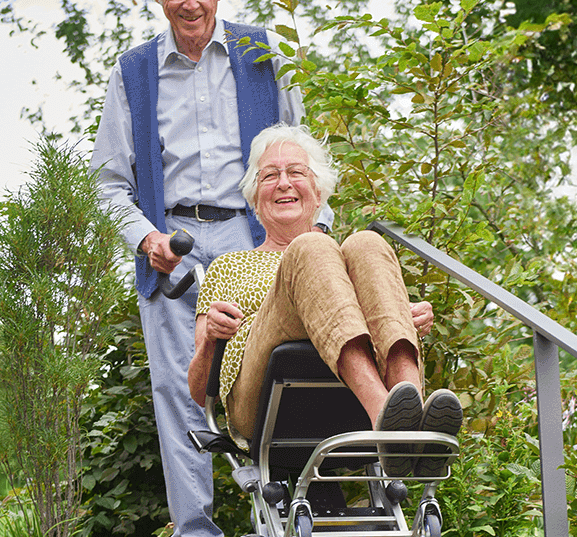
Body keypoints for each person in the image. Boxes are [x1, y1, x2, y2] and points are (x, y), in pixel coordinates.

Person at [91, 0, 327, 537]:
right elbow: (110, 181)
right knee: (178, 387)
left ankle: (297, 529)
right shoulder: (132, 72)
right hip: (173, 248)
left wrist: (315, 235)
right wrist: (146, 239)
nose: (190, 2)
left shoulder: (260, 52)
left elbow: (303, 151)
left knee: (282, 372)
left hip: (258, 241)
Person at [189, 124, 463, 475]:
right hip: (259, 398)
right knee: (313, 246)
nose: (284, 183)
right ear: (255, 199)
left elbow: (368, 307)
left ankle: (412, 419)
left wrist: (399, 315)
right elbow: (200, 394)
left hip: (345, 396)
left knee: (367, 242)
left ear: (318, 193)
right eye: (270, 175)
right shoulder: (229, 266)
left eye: (296, 172)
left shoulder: (342, 261)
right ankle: (387, 420)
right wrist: (212, 338)